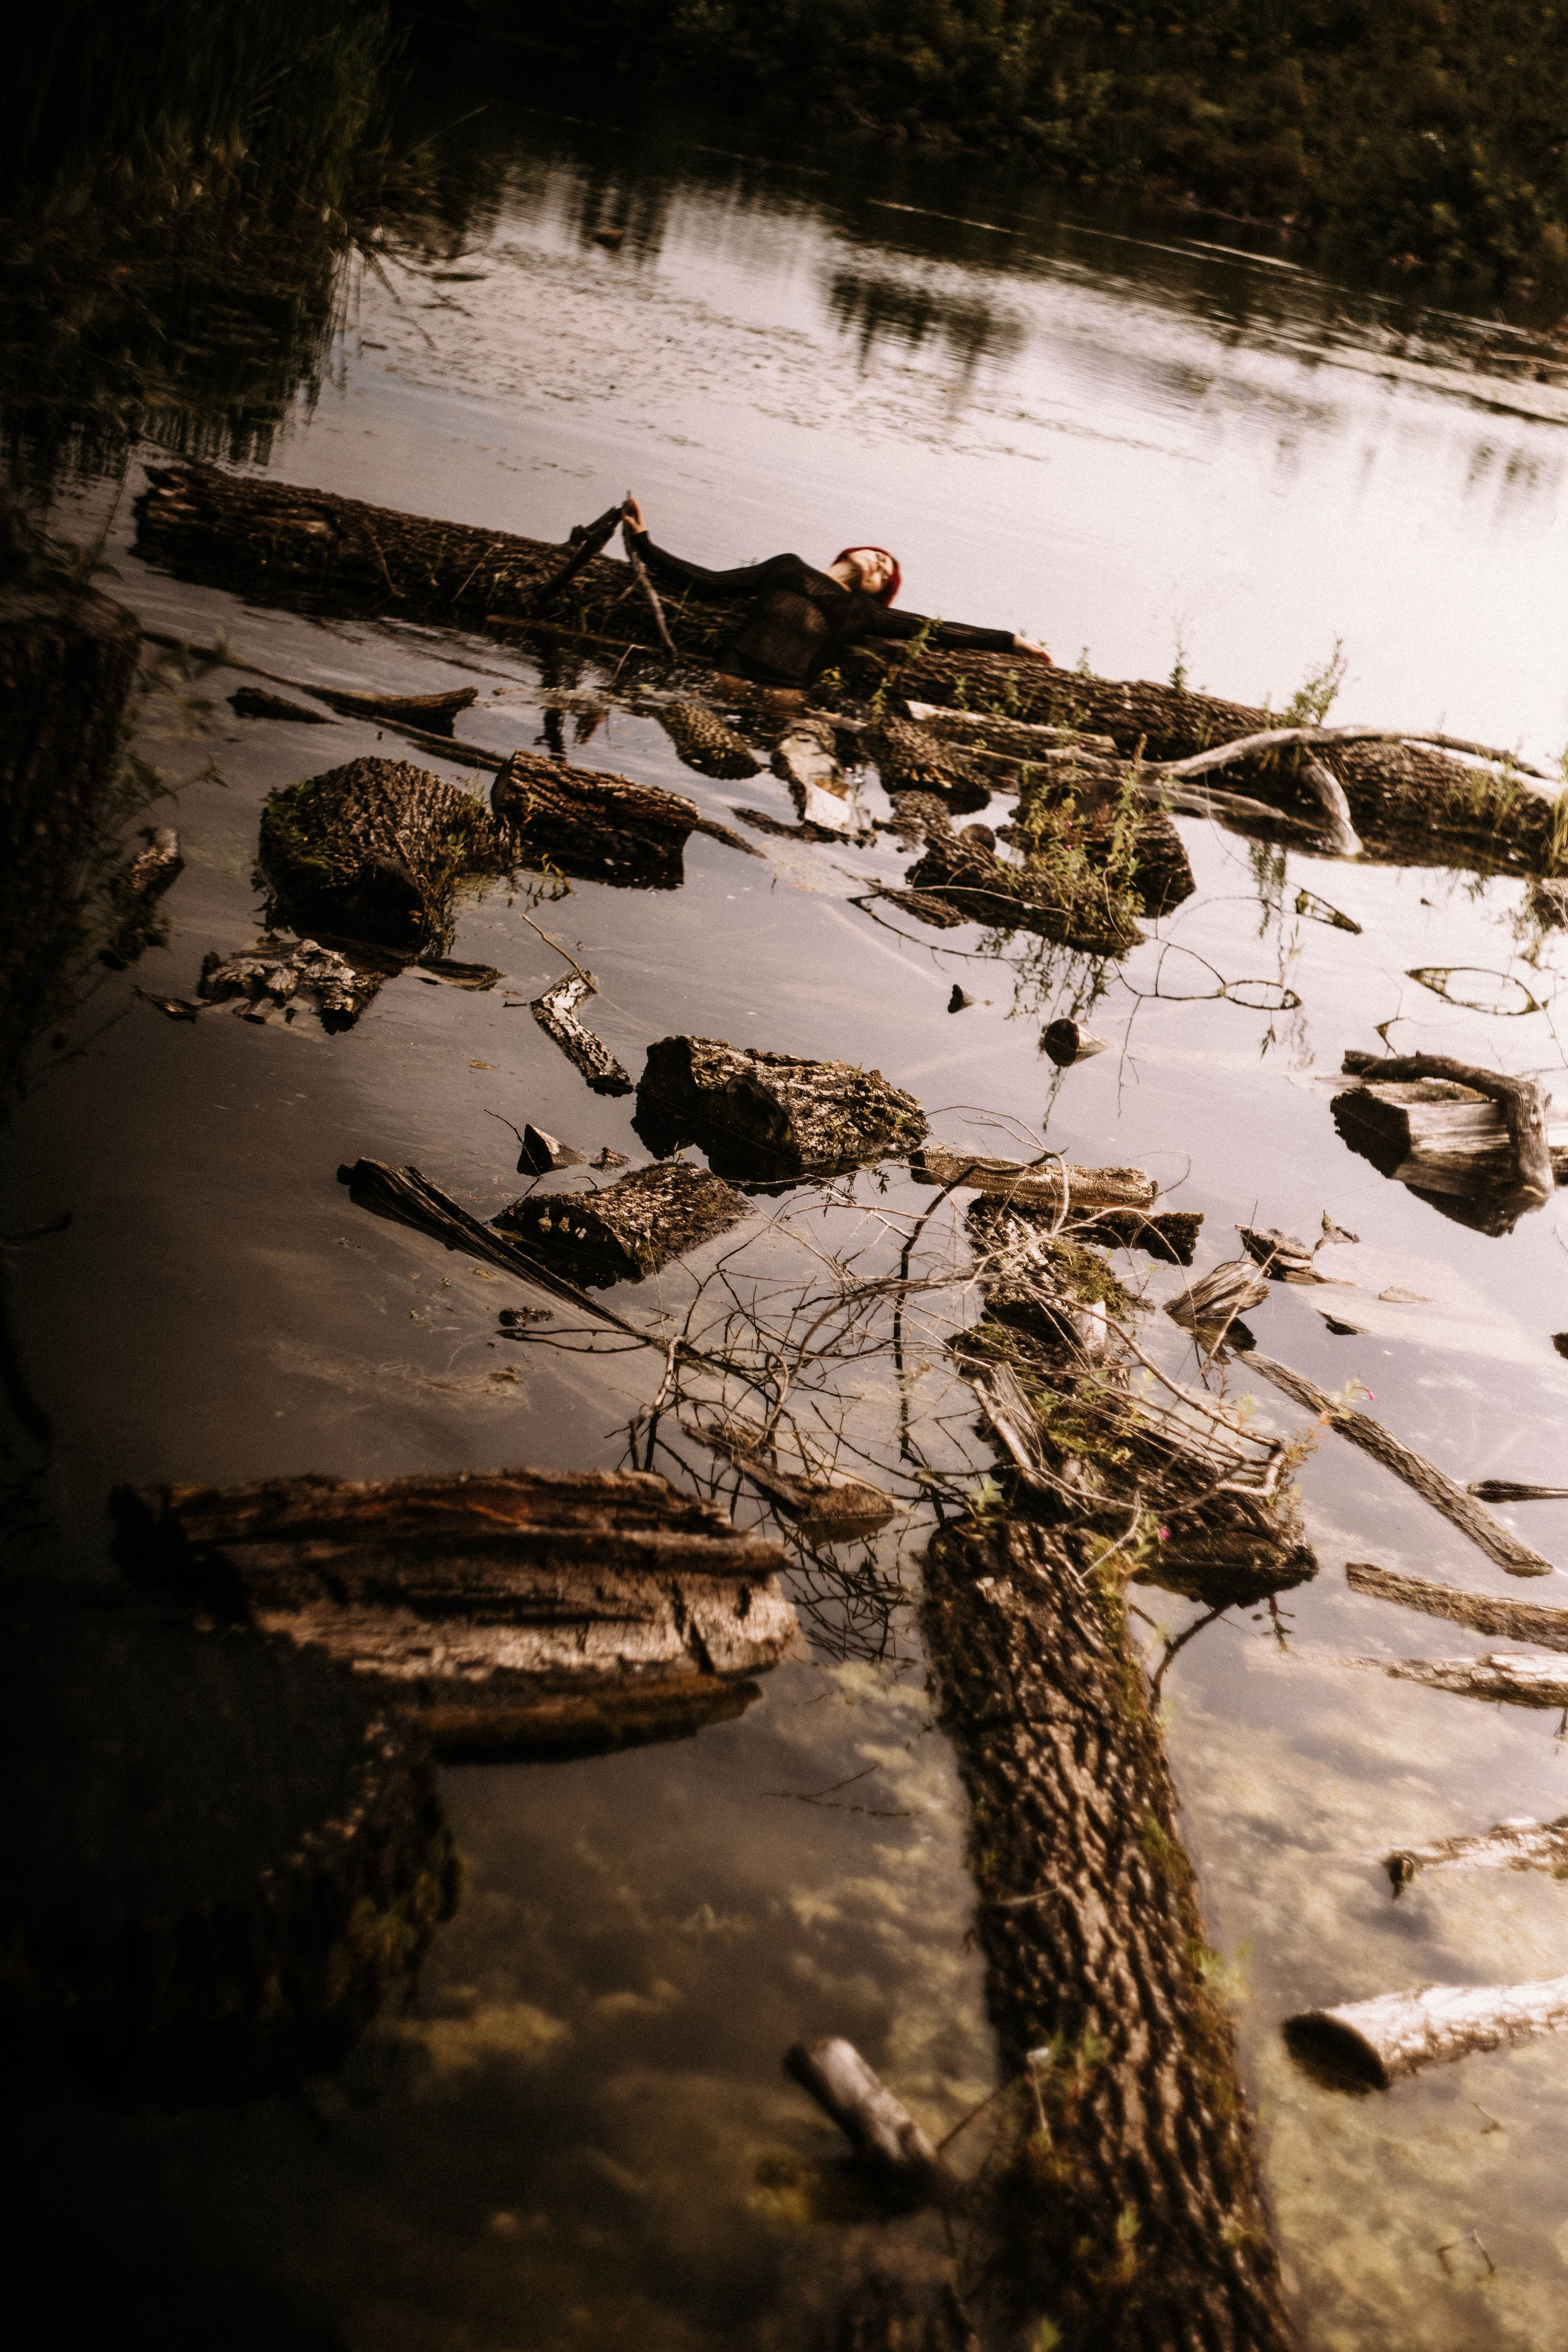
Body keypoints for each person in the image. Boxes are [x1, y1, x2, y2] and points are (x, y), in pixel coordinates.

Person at [622, 497, 1052, 691]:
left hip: (785, 695)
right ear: (853, 550)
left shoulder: (862, 613)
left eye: (886, 575)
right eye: (881, 558)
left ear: (876, 593)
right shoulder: (786, 566)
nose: (883, 566)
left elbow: (937, 630)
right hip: (730, 676)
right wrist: (643, 540)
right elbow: (708, 583)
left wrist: (1011, 642)